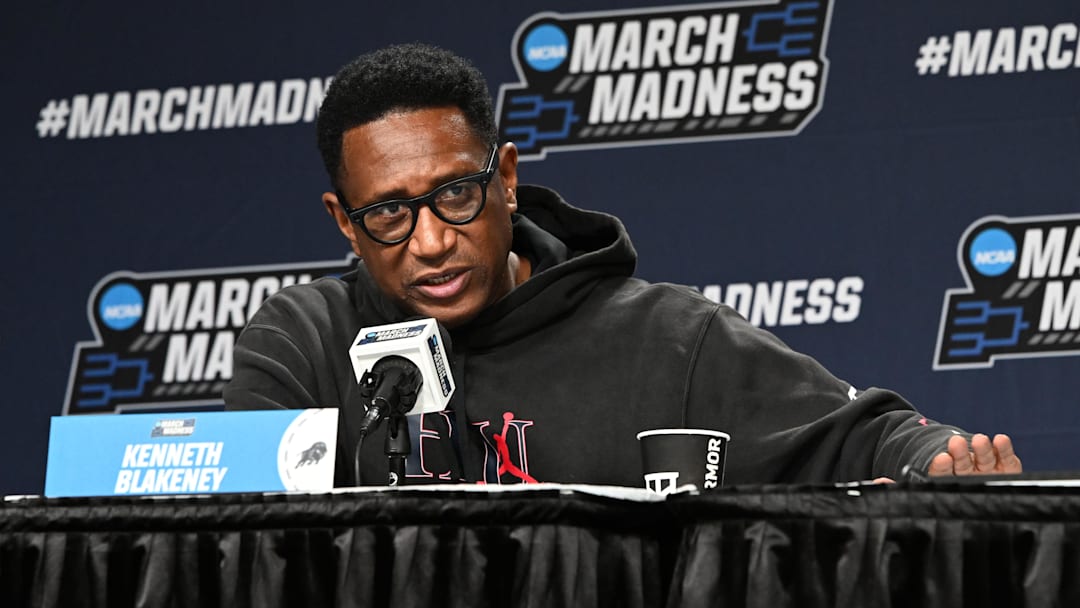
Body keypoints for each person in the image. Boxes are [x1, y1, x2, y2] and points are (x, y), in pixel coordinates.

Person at [224, 43, 1022, 488]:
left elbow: (863, 438)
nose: (431, 242)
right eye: (390, 213)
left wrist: (937, 460)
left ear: (504, 178)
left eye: (455, 195)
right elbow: (235, 541)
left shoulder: (666, 338)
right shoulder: (304, 344)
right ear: (346, 224)